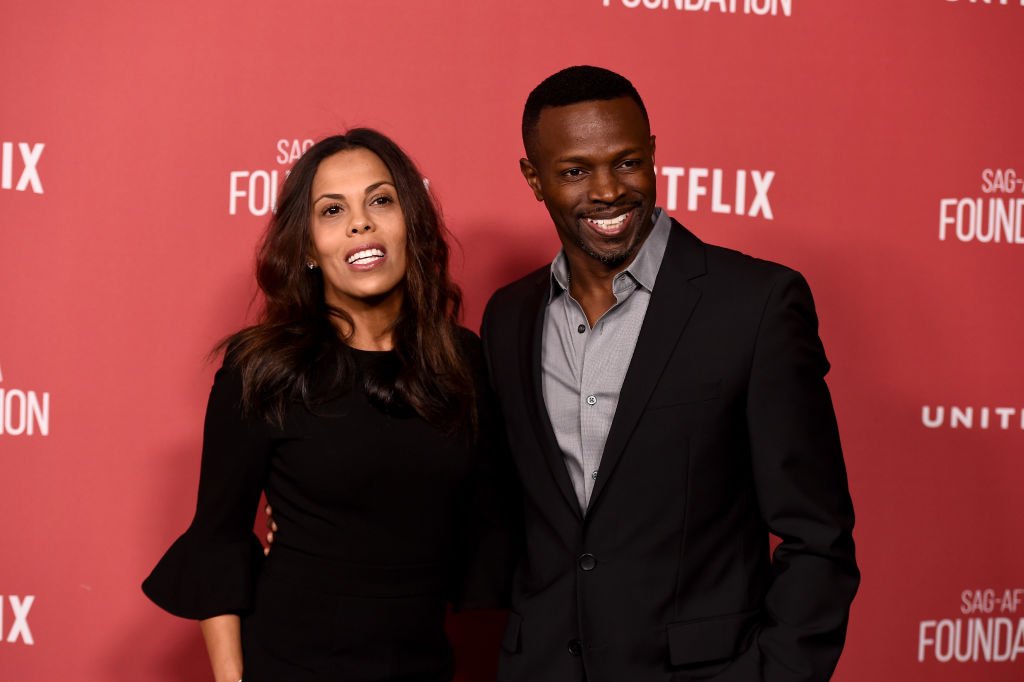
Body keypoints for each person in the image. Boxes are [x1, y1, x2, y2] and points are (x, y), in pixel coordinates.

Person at [478, 66, 859, 681]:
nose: (608, 190)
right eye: (575, 171)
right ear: (534, 179)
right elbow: (496, 513)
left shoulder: (756, 306)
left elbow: (818, 537)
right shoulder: (509, 318)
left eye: (626, 162)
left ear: (653, 154)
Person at [143, 129, 511, 682]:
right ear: (309, 248)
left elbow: (491, 519)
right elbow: (217, 540)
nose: (361, 222)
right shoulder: (263, 368)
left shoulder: (461, 362)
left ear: (410, 224)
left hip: (422, 666)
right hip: (290, 665)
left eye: (380, 200)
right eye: (332, 210)